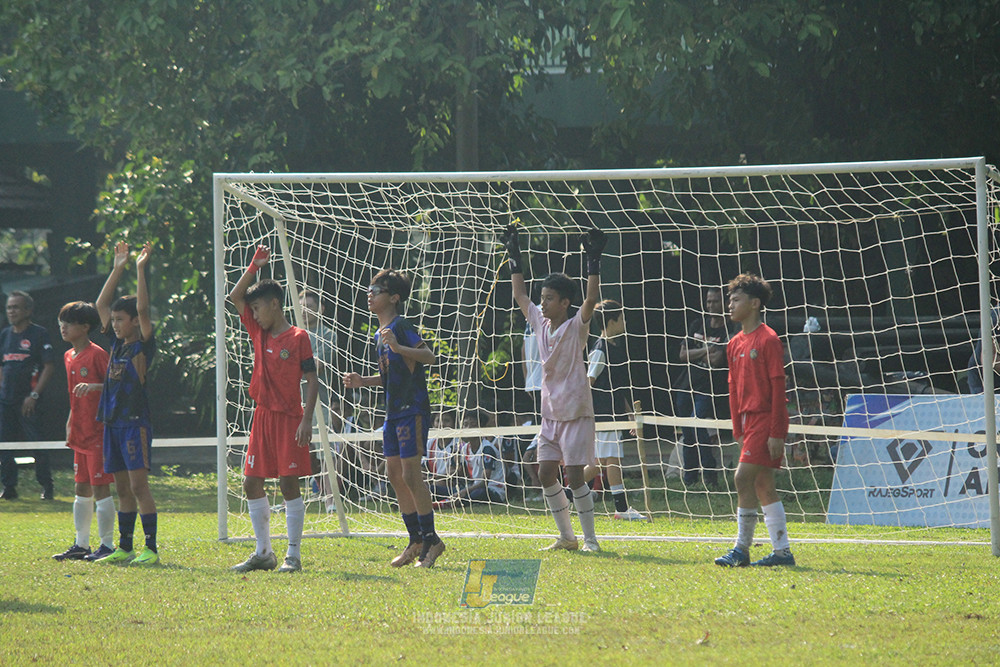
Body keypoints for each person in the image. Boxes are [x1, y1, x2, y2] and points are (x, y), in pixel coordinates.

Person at [502, 223, 604, 552]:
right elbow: (519, 295)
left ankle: (590, 539)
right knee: (546, 473)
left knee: (575, 478)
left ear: (564, 302)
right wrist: (514, 255)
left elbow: (591, 298)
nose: (542, 303)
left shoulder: (577, 327)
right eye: (542, 298)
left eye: (549, 298)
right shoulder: (538, 323)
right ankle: (567, 536)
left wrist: (593, 261)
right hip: (550, 414)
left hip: (575, 412)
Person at [342, 269, 445, 568]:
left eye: (377, 289)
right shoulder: (379, 334)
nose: (370, 294)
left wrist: (399, 347)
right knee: (394, 476)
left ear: (394, 297)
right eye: (369, 288)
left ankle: (432, 541)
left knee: (412, 476)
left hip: (412, 410)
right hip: (392, 413)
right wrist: (364, 381)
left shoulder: (401, 326)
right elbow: (390, 377)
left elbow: (428, 356)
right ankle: (415, 540)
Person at [228, 246, 319, 573]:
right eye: (250, 309)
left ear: (275, 305)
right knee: (251, 481)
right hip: (261, 417)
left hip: (289, 419)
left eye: (257, 308)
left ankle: (293, 555)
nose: (252, 314)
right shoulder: (258, 331)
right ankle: (263, 552)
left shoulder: (298, 337)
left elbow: (312, 379)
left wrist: (306, 419)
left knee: (288, 484)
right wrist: (254, 265)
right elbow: (235, 296)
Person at [715, 273, 794, 568]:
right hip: (748, 423)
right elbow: (733, 388)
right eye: (729, 300)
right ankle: (783, 552)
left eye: (736, 300)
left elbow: (777, 388)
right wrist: (738, 428)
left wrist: (777, 431)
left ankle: (741, 549)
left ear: (755, 304)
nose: (730, 306)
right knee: (763, 484)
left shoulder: (769, 339)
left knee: (741, 478)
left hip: (765, 419)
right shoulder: (734, 343)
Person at [93, 241, 161, 566]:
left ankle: (151, 548)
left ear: (134, 321)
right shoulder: (115, 344)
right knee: (121, 487)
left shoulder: (143, 346)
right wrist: (117, 266)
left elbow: (145, 310)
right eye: (115, 320)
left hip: (135, 423)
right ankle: (125, 546)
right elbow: (100, 303)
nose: (115, 324)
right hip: (112, 422)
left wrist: (139, 269)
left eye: (121, 319)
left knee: (138, 485)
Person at [52, 301, 116, 561]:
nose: (63, 327)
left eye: (69, 322)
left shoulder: (97, 354)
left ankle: (108, 545)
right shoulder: (68, 356)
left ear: (86, 327)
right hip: (80, 431)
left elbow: (114, 387)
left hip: (98, 432)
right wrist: (71, 421)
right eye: (61, 322)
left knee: (101, 488)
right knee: (81, 489)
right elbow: (73, 395)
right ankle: (81, 544)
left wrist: (94, 387)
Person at [583, 299, 645, 520]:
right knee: (612, 459)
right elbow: (588, 382)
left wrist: (629, 414)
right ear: (611, 321)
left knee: (602, 460)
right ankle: (621, 509)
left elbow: (618, 387)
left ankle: (571, 493)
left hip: (614, 414)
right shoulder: (600, 349)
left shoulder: (617, 347)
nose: (625, 321)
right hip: (602, 415)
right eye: (622, 318)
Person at [674, 287, 734, 488]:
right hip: (685, 384)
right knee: (687, 431)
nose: (711, 306)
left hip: (708, 386)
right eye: (708, 302)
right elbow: (682, 355)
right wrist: (707, 349)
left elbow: (717, 360)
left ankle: (710, 473)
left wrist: (696, 352)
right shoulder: (697, 324)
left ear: (724, 304)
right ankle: (690, 478)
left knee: (698, 424)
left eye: (715, 302)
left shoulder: (729, 330)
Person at [0, 290, 57, 501]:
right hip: (6, 401)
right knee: (4, 445)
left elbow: (48, 367)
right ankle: (9, 488)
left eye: (15, 307)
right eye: (8, 307)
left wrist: (33, 395)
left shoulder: (38, 334)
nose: (11, 311)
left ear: (28, 310)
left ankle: (46, 486)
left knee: (36, 444)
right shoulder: (5, 334)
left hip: (29, 401)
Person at [435, 408, 506, 508]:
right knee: (434, 489)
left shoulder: (487, 449)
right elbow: (461, 474)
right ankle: (448, 501)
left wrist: (464, 491)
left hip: (491, 490)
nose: (467, 428)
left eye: (472, 425)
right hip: (471, 488)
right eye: (465, 424)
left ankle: (447, 504)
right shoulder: (464, 449)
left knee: (477, 494)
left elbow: (484, 482)